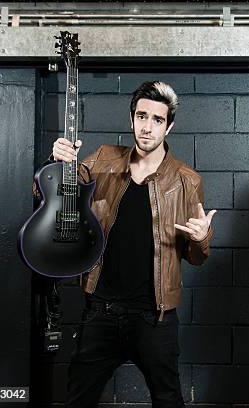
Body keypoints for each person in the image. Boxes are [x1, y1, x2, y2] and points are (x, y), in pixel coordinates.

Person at [48, 81, 215, 407]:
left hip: (155, 317)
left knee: (168, 400)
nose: (147, 127)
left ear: (169, 127)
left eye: (157, 120)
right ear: (131, 119)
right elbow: (52, 198)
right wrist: (56, 162)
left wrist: (201, 238)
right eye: (142, 116)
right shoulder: (104, 160)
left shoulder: (186, 180)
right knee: (77, 398)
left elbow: (196, 258)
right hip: (100, 310)